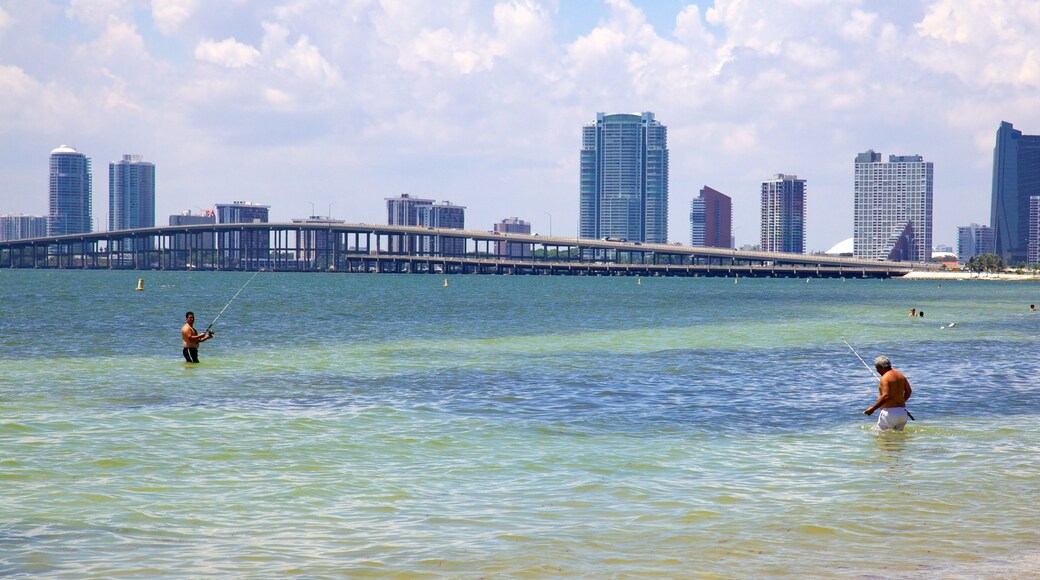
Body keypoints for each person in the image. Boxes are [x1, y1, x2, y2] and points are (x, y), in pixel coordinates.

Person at [864, 355, 912, 431]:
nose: (877, 371)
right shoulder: (901, 375)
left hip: (889, 414)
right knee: (897, 440)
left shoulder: (885, 378)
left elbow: (886, 396)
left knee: (881, 439)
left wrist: (872, 409)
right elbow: (908, 392)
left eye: (877, 368)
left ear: (880, 367)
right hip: (902, 412)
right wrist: (899, 403)